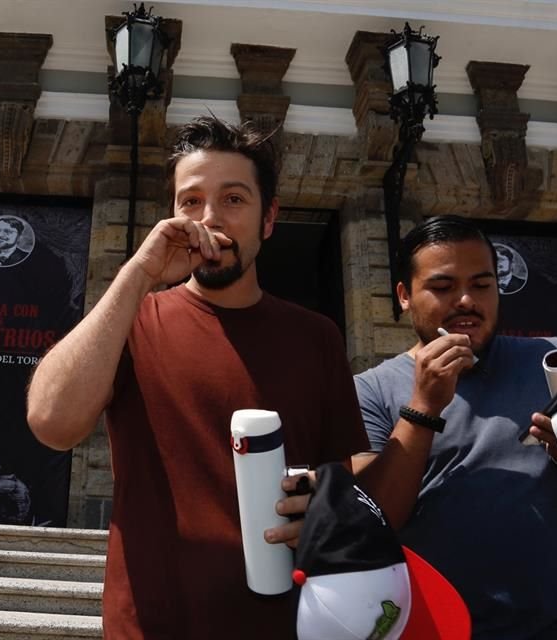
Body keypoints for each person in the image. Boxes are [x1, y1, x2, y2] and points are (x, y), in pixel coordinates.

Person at [26, 116, 368, 638]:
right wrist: (138, 274)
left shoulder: (316, 337)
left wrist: (327, 497)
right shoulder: (132, 320)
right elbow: (52, 423)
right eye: (191, 201)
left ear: (268, 219)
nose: (210, 218)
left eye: (233, 199)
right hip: (150, 624)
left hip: (284, 622)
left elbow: (347, 469)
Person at [351, 216, 557, 639]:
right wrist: (423, 406)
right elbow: (372, 521)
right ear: (404, 296)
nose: (466, 300)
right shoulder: (370, 390)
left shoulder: (555, 359)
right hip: (441, 630)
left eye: (482, 284)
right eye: (443, 287)